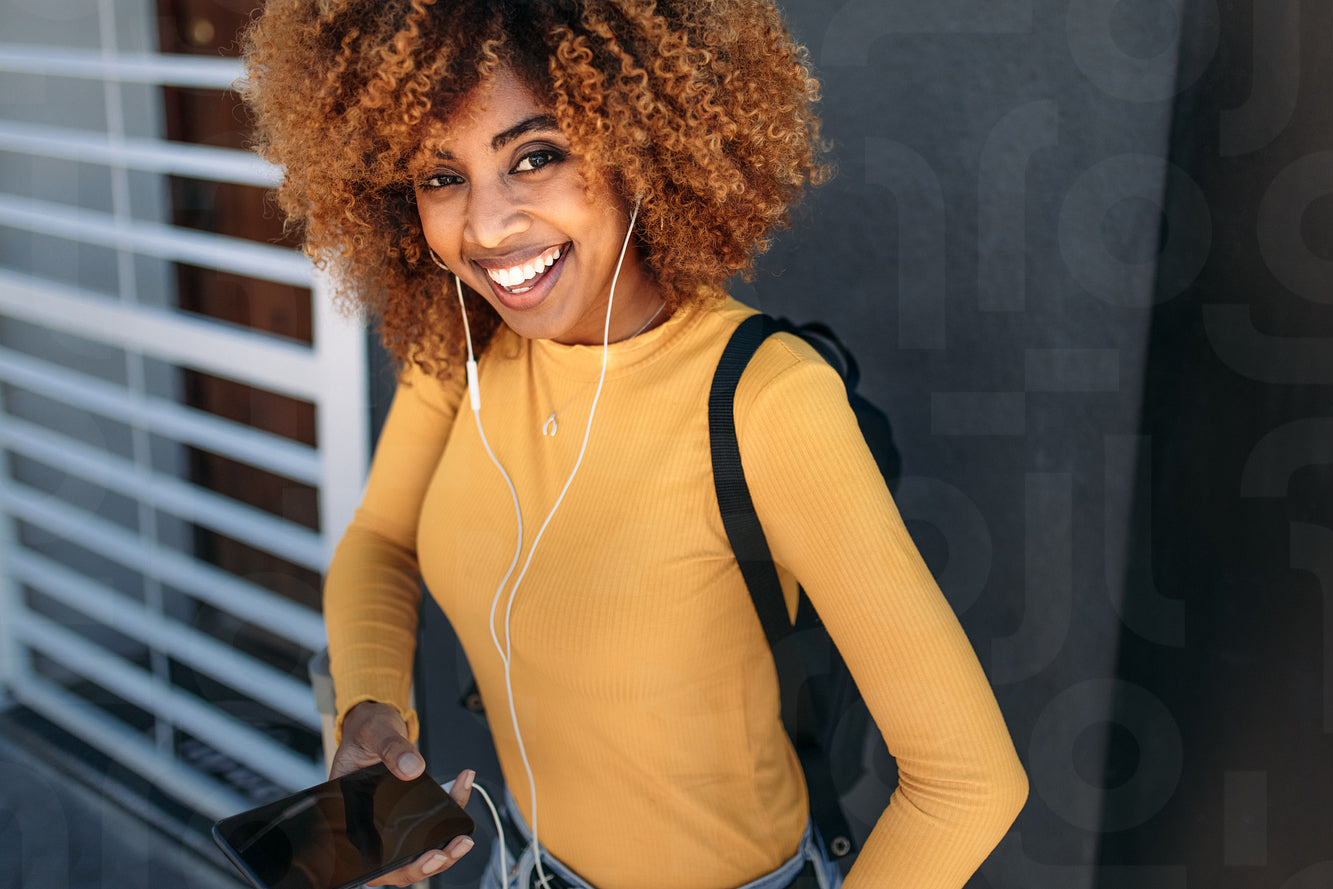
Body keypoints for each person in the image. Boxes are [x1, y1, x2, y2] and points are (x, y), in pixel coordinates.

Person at [240, 1, 1028, 888]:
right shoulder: (465, 351)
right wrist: (370, 707)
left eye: (536, 156)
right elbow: (381, 539)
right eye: (441, 176)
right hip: (522, 867)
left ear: (639, 145)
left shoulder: (767, 399)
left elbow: (968, 781)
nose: (487, 227)